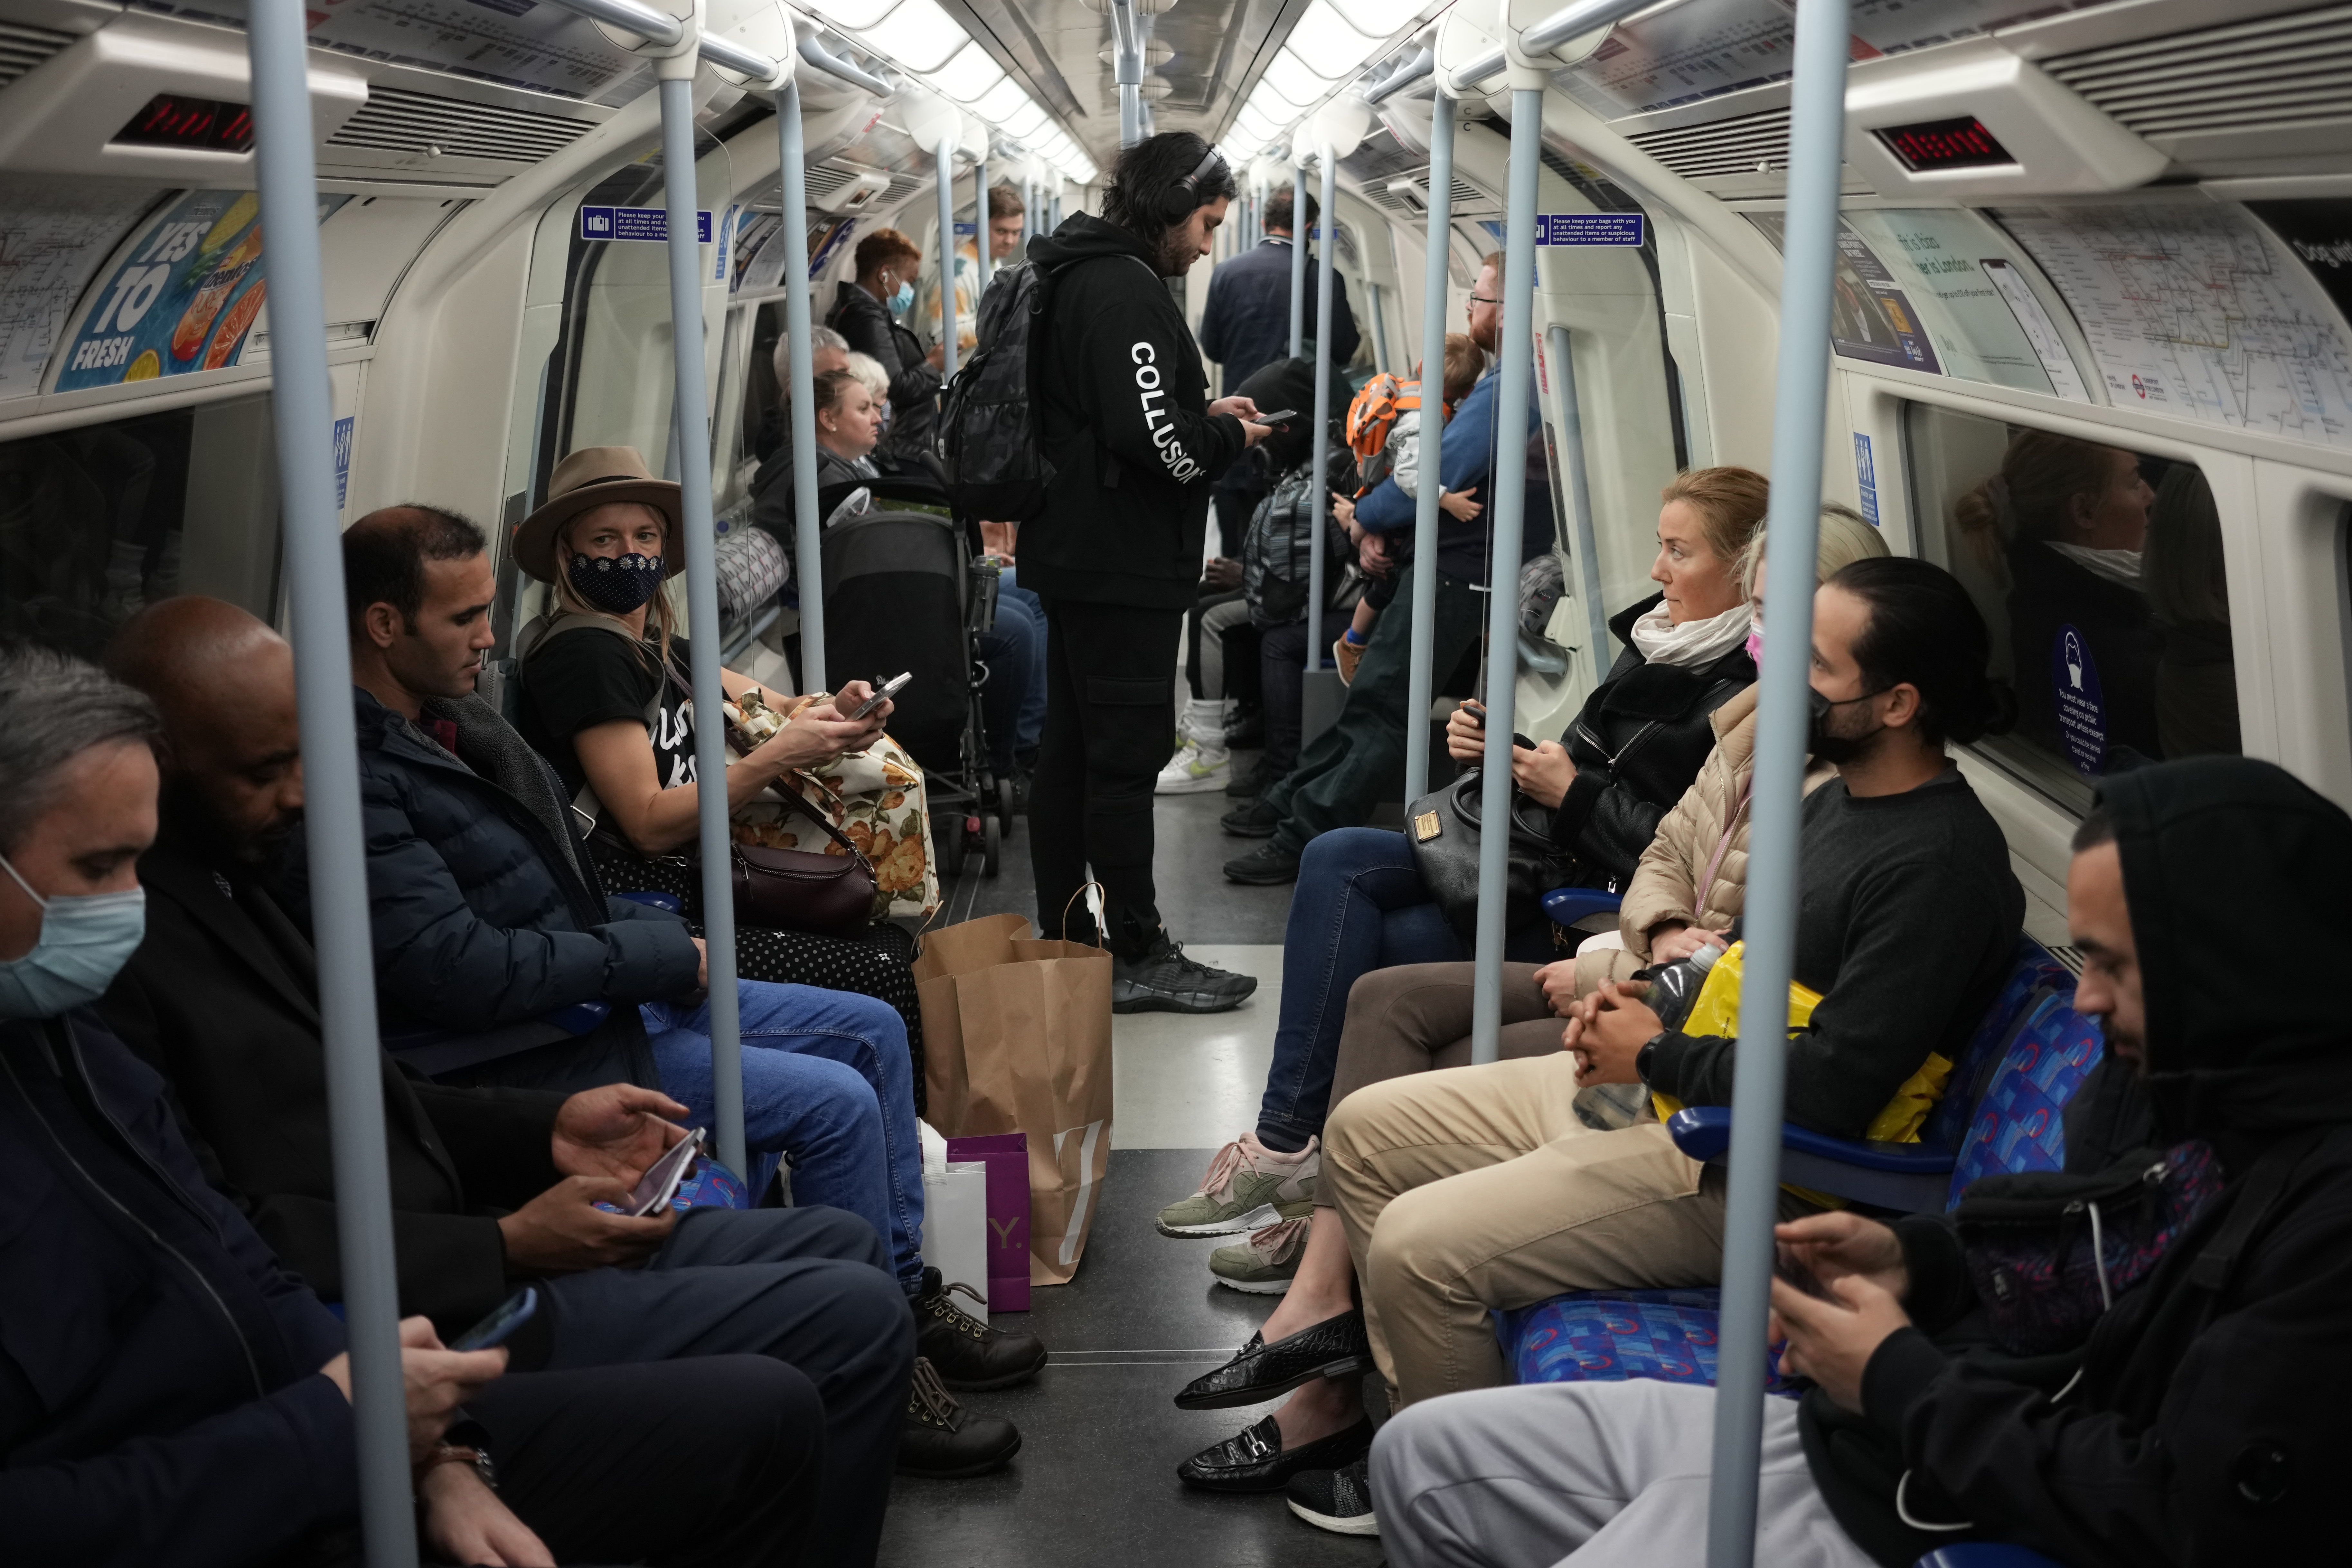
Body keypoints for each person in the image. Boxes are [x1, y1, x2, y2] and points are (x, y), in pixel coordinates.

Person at [1172, 558, 2027, 1531]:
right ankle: (1379, 1410)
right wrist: (1636, 1002)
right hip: (1679, 1083)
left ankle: (1461, 1503)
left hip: (1750, 1169)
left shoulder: (1936, 866)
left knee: (1417, 1248)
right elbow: (1741, 968)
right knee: (1365, 1132)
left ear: (1895, 702)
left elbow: (1833, 1084)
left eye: (1812, 666)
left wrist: (1652, 1058)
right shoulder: (1834, 806)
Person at [1372, 754, 2352, 1568]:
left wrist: (1891, 1373)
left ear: (2221, 968)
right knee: (1419, 1456)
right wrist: (1916, 1263)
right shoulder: (2169, 1093)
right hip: (1879, 1438)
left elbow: (2174, 1506)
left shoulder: (2319, 1230)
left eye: (2113, 966)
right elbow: (2071, 1252)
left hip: (1935, 1506)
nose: (2085, 1001)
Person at [0, 643, 841, 1567]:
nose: (128, 902)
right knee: (806, 1334)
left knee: (822, 1280)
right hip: (279, 1436)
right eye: (97, 865)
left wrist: (428, 1451)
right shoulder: (105, 992)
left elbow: (232, 1257)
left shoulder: (75, 1036)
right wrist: (350, 1417)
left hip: (340, 1375)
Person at [322, 505, 1044, 1441]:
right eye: (463, 620)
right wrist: (657, 948)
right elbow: (464, 964)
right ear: (385, 625)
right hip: (549, 1039)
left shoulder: (458, 722)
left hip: (615, 965)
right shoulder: (367, 776)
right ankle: (874, 1369)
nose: (486, 639)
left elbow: (554, 890)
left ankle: (902, 1301)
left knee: (870, 1018)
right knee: (833, 1099)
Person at [1197, 505, 1887, 1300]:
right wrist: (1520, 767)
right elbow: (1671, 855)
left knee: (1381, 954)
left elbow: (1735, 941)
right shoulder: (1729, 709)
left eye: (1675, 550)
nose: (1656, 571)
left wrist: (1588, 854)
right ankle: (1310, 1201)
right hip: (1614, 918)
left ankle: (1325, 1245)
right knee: (1349, 886)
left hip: (1596, 918)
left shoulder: (1815, 776)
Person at [511, 446, 932, 1094]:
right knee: (877, 966)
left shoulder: (655, 645)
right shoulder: (586, 655)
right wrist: (781, 755)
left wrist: (838, 711)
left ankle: (906, 1147)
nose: (629, 553)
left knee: (882, 941)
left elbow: (779, 706)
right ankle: (901, 1155)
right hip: (647, 903)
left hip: (702, 875)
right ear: (568, 554)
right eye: (605, 537)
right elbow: (648, 824)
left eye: (644, 535)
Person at [1020, 129, 1270, 1012]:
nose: (1208, 241)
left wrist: (1198, 409)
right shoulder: (1123, 286)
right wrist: (1226, 435)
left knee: (1071, 755)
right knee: (1122, 763)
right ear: (1170, 205)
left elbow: (1127, 412)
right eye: (1205, 221)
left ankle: (1066, 937)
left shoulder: (1082, 272)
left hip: (1079, 549)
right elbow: (1152, 440)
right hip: (1116, 558)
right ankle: (1136, 950)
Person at [1219, 254, 1547, 880]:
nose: (1470, 309)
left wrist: (1368, 515)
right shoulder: (1507, 384)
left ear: (1504, 312)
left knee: (1384, 709)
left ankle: (1298, 834)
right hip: (1452, 563)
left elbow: (1437, 474)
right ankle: (1292, 800)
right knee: (1370, 700)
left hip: (1459, 574)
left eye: (1477, 299)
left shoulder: (1509, 390)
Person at [1955, 429, 2162, 768]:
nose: (2149, 495)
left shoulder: (2043, 595)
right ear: (2084, 512)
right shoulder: (2110, 638)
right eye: (2134, 481)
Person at [1198, 181, 1360, 394]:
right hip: (1298, 409)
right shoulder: (1322, 276)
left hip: (1238, 408)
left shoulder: (1225, 272)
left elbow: (1212, 348)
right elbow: (1343, 349)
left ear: (1264, 224)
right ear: (1307, 227)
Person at [826, 227, 943, 473]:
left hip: (903, 444)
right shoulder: (866, 319)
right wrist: (934, 365)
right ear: (884, 275)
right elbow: (895, 387)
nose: (910, 289)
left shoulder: (871, 313)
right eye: (909, 281)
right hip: (899, 448)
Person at [916, 182, 1027, 362]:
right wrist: (1003, 320)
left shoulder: (993, 262)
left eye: (1016, 233)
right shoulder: (958, 272)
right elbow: (941, 335)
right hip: (955, 378)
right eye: (1001, 231)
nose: (1010, 241)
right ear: (981, 224)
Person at [808, 366, 886, 491]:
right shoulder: (826, 479)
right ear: (829, 419)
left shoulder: (832, 468)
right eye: (863, 409)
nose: (878, 419)